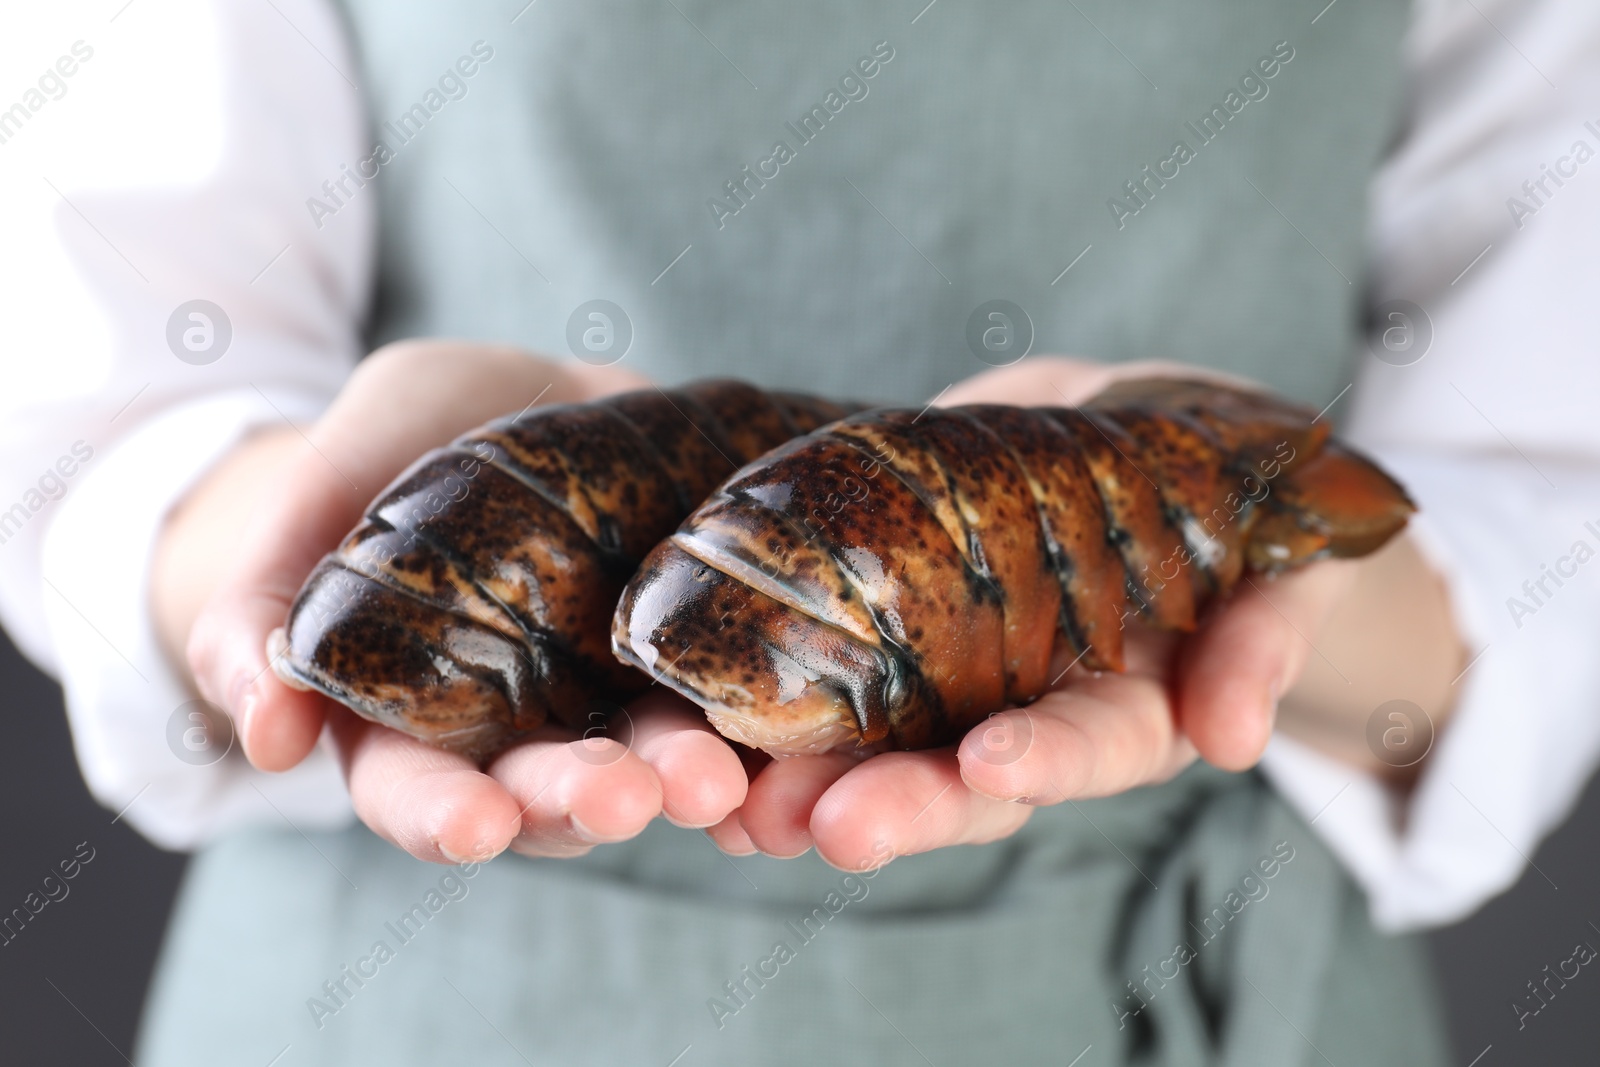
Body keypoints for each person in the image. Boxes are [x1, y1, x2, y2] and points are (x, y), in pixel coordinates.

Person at [3, 0, 1598, 1063]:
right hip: (413, 994)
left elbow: (1542, 507)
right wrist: (255, 552)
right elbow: (95, 400)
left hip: (1204, 980)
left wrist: (1289, 611)